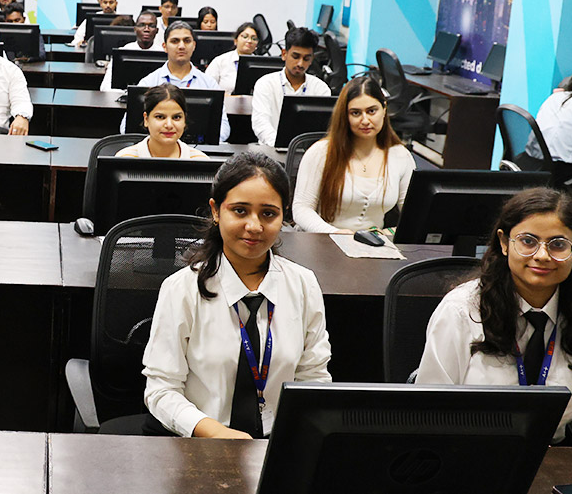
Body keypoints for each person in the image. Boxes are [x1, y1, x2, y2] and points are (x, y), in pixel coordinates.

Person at [416, 187, 572, 448]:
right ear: (504, 243)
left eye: (558, 245)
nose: (542, 255)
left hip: (555, 458)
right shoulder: (462, 310)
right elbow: (432, 404)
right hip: (470, 451)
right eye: (528, 241)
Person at [142, 152, 333, 438]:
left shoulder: (303, 285)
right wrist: (215, 433)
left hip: (275, 444)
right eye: (240, 211)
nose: (254, 226)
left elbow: (313, 378)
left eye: (268, 213)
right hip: (200, 443)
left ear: (284, 215)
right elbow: (162, 390)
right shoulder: (182, 289)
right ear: (217, 211)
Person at [292, 76, 414, 233]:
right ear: (345, 116)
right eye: (356, 113)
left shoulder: (400, 156)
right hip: (323, 242)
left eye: (372, 111)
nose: (365, 120)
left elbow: (413, 216)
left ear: (384, 109)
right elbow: (302, 209)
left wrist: (389, 234)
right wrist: (334, 232)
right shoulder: (321, 153)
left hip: (374, 248)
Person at [129, 21, 228, 142]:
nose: (181, 46)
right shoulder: (149, 82)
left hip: (198, 151)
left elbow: (223, 128)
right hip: (157, 151)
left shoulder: (209, 84)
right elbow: (127, 127)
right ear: (164, 47)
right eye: (175, 41)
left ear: (194, 45)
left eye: (187, 41)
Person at [251, 27, 331, 147]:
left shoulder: (321, 89)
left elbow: (322, 130)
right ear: (284, 54)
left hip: (307, 153)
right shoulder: (266, 84)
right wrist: (279, 145)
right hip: (270, 151)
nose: (300, 63)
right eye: (295, 56)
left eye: (306, 59)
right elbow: (260, 123)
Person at [115, 84, 210, 159]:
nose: (169, 125)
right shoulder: (125, 158)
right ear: (146, 119)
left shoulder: (200, 160)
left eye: (176, 117)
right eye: (160, 117)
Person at [98, 11, 159, 91]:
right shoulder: (122, 52)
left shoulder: (164, 54)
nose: (146, 29)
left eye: (151, 26)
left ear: (157, 30)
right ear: (135, 29)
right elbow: (105, 87)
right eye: (142, 25)